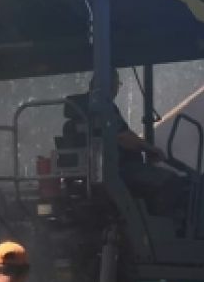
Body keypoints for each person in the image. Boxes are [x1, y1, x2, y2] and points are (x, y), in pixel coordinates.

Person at [79, 70, 187, 218]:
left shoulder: (81, 109)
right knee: (171, 182)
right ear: (110, 85)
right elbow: (123, 137)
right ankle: (157, 230)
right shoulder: (102, 106)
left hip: (100, 170)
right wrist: (151, 149)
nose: (116, 89)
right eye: (117, 84)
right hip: (117, 169)